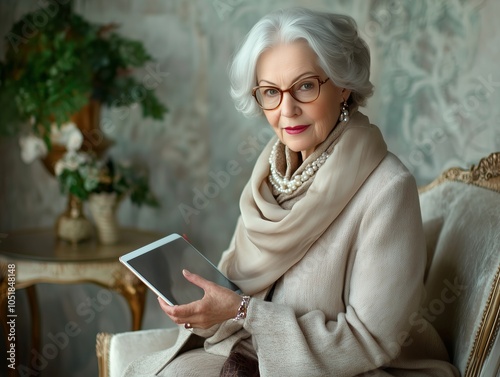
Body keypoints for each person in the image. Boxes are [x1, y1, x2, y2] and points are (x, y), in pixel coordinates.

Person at [124, 7, 459, 377]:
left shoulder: (388, 188)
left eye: (305, 86)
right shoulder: (267, 179)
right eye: (270, 92)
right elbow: (235, 292)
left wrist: (241, 311)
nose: (287, 109)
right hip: (256, 354)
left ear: (343, 84)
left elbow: (370, 340)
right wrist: (201, 307)